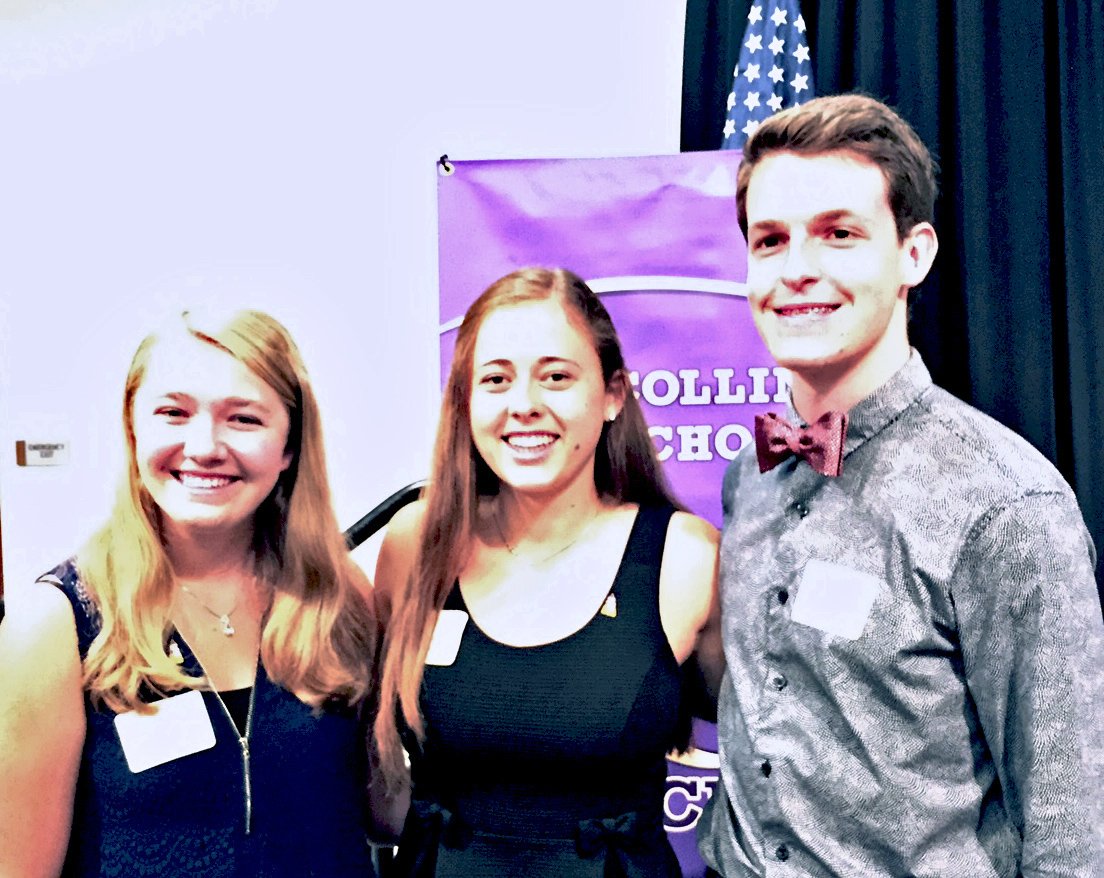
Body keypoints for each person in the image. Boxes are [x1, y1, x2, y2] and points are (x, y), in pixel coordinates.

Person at [698, 93, 1104, 877]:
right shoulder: (747, 476)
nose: (798, 271)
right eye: (770, 240)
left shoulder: (1009, 508)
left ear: (913, 254)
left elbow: (1070, 833)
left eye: (839, 234)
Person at [0, 309, 380, 877]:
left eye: (243, 419)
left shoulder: (336, 595)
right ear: (133, 430)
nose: (204, 446)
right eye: (173, 413)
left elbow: (378, 812)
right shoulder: (56, 626)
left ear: (290, 446)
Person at [373, 267, 722, 877]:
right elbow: (371, 771)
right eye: (495, 380)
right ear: (465, 401)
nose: (524, 406)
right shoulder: (416, 546)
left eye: (556, 377)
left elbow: (776, 755)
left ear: (613, 394)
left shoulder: (685, 559)